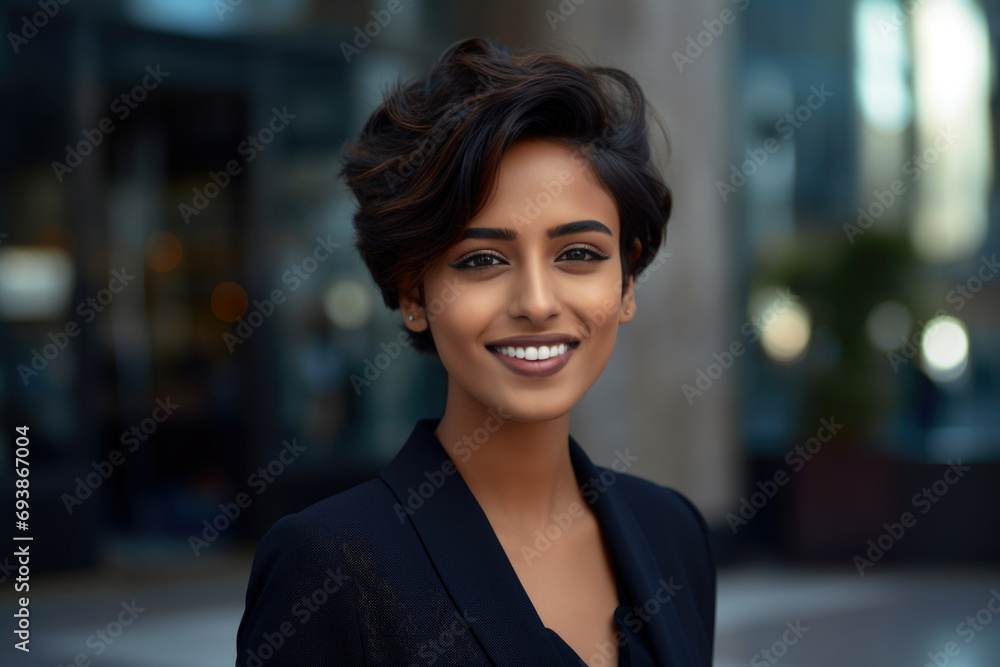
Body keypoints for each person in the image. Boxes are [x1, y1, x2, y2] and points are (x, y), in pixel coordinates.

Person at [236, 36, 716, 666]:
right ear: (414, 291)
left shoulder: (671, 532)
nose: (537, 302)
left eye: (578, 254)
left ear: (625, 281)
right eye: (482, 260)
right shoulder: (331, 565)